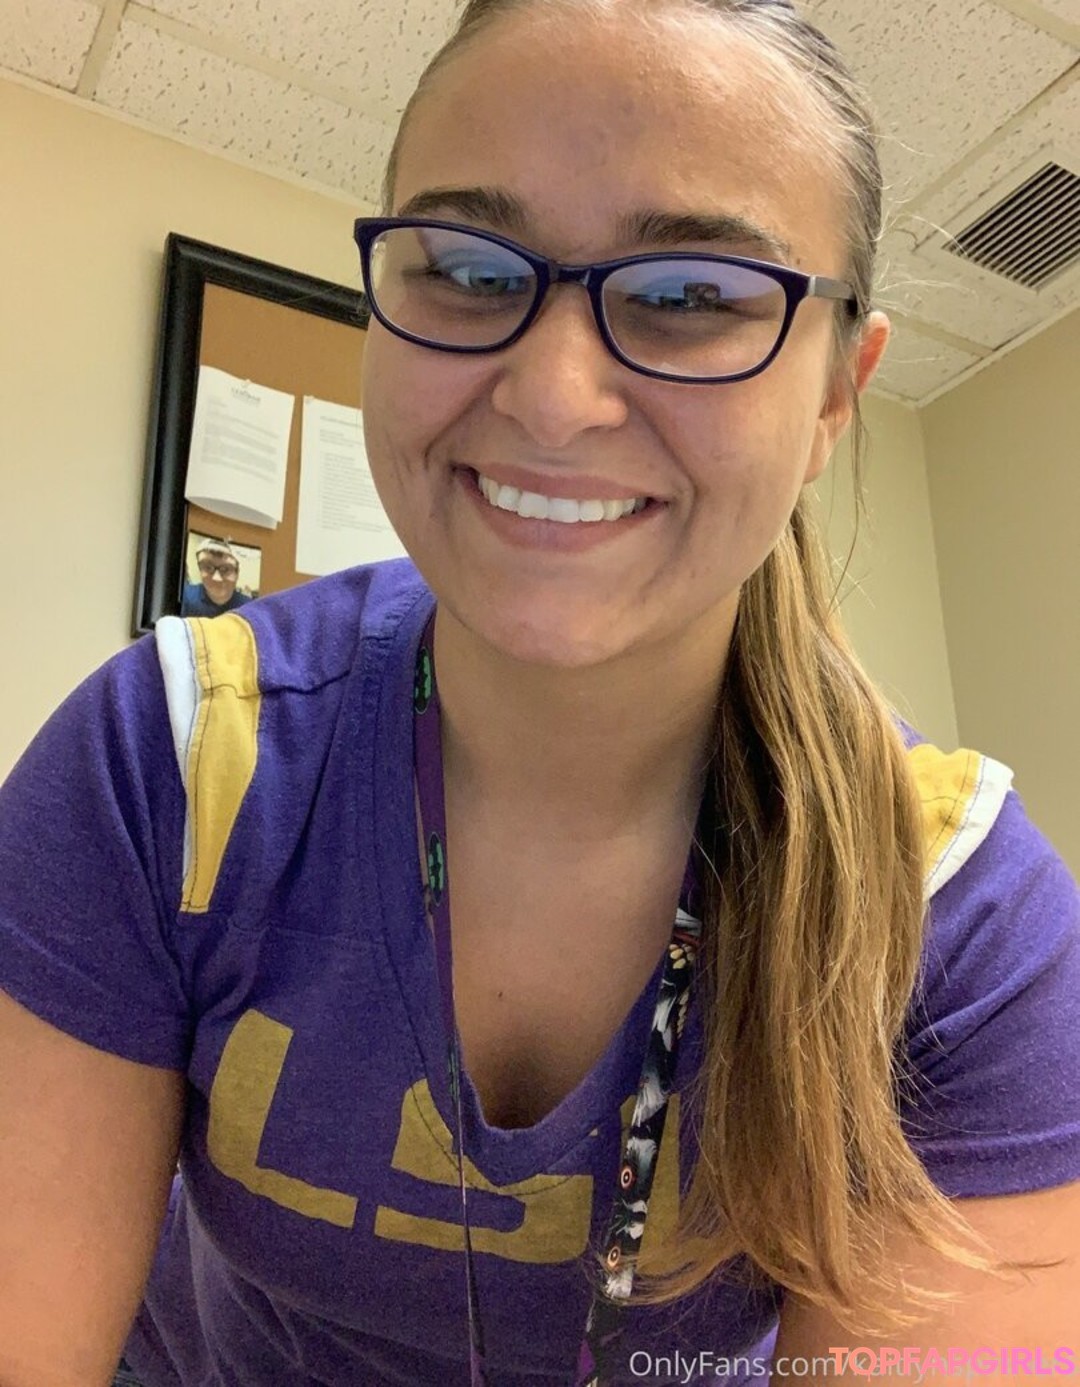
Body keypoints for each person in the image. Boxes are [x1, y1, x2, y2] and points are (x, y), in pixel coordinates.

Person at [1, 1, 1078, 1384]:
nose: (556, 397)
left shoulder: (964, 924)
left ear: (834, 398)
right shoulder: (166, 756)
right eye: (465, 266)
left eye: (690, 296)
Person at [179, 537, 252, 617]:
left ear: (237, 573)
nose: (216, 578)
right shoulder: (183, 597)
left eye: (225, 569)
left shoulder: (249, 608)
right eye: (208, 567)